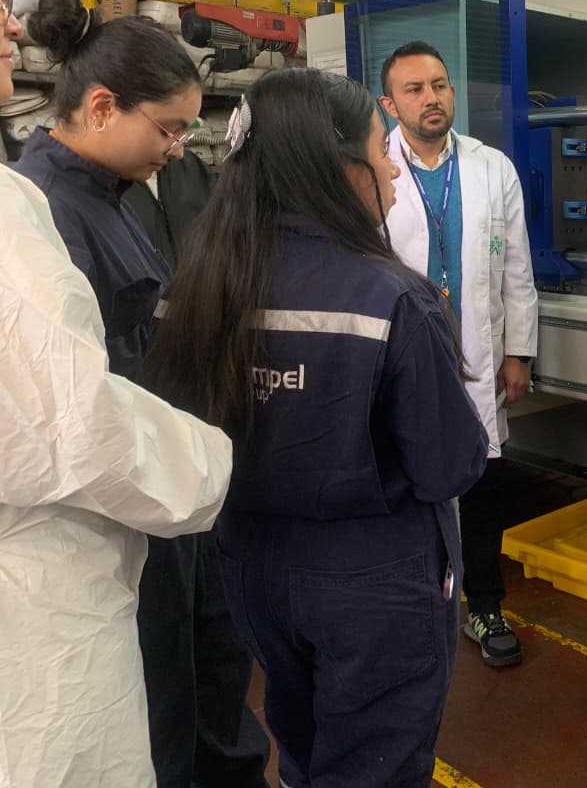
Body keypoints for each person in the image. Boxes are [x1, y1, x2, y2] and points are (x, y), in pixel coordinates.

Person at [145, 68, 489, 787]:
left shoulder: (196, 286)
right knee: (372, 764)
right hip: (372, 582)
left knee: (301, 746)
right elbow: (450, 465)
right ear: (338, 166)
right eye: (380, 149)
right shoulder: (391, 298)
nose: (391, 168)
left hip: (250, 567)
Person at [12, 0, 267, 788]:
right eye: (168, 128)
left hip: (164, 485)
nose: (179, 147)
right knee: (162, 693)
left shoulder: (111, 194)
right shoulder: (45, 212)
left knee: (210, 666)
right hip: (119, 503)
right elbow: (77, 412)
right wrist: (208, 464)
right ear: (100, 108)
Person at [380, 41, 538, 668]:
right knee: (405, 478)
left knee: (481, 478)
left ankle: (485, 604)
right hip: (403, 356)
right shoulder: (371, 167)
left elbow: (517, 268)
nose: (432, 98)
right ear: (390, 104)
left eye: (440, 85)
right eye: (415, 89)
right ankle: (411, 601)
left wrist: (519, 352)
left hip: (477, 354)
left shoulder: (491, 167)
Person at [124, 154, 273, 784]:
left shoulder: (193, 179)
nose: (176, 142)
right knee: (160, 649)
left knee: (219, 637)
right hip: (139, 459)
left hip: (208, 435)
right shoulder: (74, 200)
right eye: (165, 126)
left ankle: (232, 767)